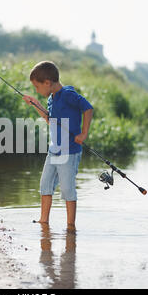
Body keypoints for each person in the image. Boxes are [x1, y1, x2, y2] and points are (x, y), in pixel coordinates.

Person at [23, 61, 93, 231]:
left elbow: (88, 108)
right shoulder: (50, 99)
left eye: (37, 87)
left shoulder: (68, 94)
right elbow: (49, 119)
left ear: (47, 83)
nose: (36, 91)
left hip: (70, 152)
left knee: (68, 189)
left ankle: (71, 226)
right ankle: (43, 221)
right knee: (45, 185)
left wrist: (83, 133)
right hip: (54, 150)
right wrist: (35, 104)